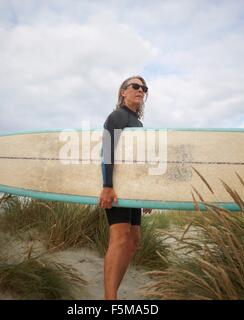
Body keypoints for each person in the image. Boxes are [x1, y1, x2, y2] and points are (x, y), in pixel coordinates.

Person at [98, 75, 152, 300]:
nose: (141, 90)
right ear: (123, 92)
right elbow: (108, 150)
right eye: (136, 86)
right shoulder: (118, 116)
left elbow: (138, 162)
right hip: (117, 187)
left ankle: (112, 292)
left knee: (133, 241)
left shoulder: (137, 123)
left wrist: (145, 194)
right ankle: (110, 298)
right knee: (120, 237)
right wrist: (108, 185)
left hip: (133, 189)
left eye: (144, 88)